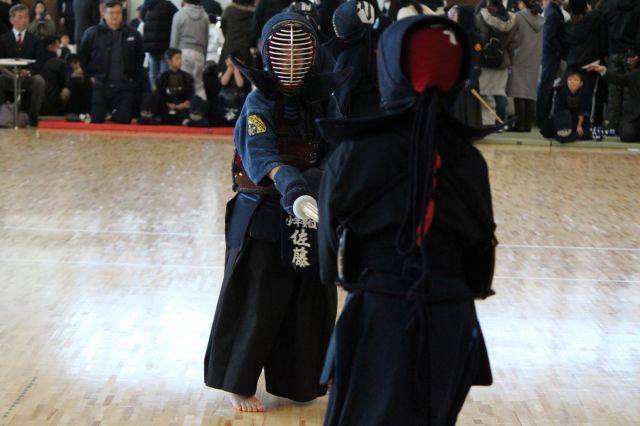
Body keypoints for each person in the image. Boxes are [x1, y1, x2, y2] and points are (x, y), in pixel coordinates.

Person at [316, 15, 495, 426]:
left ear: (390, 69)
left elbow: (328, 256)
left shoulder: (354, 153)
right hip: (452, 317)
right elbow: (481, 256)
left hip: (379, 313)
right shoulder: (469, 160)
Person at [203, 11, 345, 413]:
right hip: (263, 209)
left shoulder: (324, 98)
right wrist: (290, 184)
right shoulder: (258, 101)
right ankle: (237, 381)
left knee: (310, 297)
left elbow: (338, 147)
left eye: (301, 53)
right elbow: (261, 154)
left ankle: (305, 379)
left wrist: (319, 183)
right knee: (257, 295)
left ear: (313, 55)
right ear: (268, 54)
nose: (292, 61)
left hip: (309, 210)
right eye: (283, 53)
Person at [78, 0, 144, 123]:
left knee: (124, 120)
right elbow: (82, 54)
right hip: (100, 85)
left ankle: (114, 114)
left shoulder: (133, 34)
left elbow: (140, 57)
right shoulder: (92, 32)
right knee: (97, 119)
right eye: (111, 13)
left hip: (124, 85)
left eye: (118, 13)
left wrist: (133, 78)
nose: (115, 16)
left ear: (122, 14)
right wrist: (89, 75)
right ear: (104, 14)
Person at [330, 0, 380, 117]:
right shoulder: (376, 41)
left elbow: (341, 92)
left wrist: (335, 118)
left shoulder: (349, 54)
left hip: (356, 116)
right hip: (377, 111)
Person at [0, 4, 46, 126]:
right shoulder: (3, 39)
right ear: (11, 20)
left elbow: (40, 61)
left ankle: (33, 117)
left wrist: (29, 72)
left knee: (39, 81)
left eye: (26, 17)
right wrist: (11, 72)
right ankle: (2, 116)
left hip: (27, 77)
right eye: (20, 17)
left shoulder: (35, 40)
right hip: (8, 76)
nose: (24, 20)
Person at [476, 0, 517, 126]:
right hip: (503, 61)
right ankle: (500, 123)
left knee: (482, 93)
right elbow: (512, 45)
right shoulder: (510, 20)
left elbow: (479, 39)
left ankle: (483, 121)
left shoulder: (480, 17)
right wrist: (511, 61)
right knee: (499, 93)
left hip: (485, 60)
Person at [506, 0, 544, 132]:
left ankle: (519, 125)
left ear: (523, 3)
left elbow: (510, 37)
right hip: (535, 57)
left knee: (518, 91)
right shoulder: (541, 19)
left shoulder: (518, 16)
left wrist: (510, 49)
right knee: (530, 92)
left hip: (519, 55)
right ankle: (528, 125)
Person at [586, 57, 640, 142]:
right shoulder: (635, 74)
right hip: (636, 117)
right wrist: (603, 70)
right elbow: (617, 78)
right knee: (626, 134)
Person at [536, 0, 569, 126]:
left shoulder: (552, 12)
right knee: (546, 87)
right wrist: (559, 52)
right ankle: (541, 118)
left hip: (551, 55)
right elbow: (549, 38)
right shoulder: (553, 14)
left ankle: (542, 117)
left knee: (547, 87)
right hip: (551, 56)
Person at [170, 0, 209, 99]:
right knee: (199, 86)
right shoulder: (205, 16)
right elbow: (206, 39)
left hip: (183, 54)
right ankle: (201, 107)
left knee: (184, 85)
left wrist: (172, 57)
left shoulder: (179, 15)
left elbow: (174, 38)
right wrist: (204, 57)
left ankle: (185, 108)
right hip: (199, 53)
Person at [542, 71, 592, 142]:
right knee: (546, 130)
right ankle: (563, 133)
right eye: (570, 79)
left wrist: (579, 126)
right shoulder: (561, 92)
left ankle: (566, 134)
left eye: (575, 80)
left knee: (581, 133)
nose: (572, 82)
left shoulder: (584, 94)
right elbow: (558, 110)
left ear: (581, 83)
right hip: (564, 119)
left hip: (577, 119)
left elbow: (583, 111)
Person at [141, 0, 178, 91]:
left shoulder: (147, 5)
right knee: (164, 75)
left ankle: (155, 94)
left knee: (153, 74)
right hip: (164, 46)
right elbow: (177, 18)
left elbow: (142, 17)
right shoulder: (168, 6)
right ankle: (163, 95)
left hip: (152, 47)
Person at [156, 48, 194, 124]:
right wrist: (167, 104)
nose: (180, 61)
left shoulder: (187, 77)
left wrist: (185, 103)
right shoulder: (162, 77)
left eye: (180, 58)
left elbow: (191, 93)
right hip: (167, 106)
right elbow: (158, 94)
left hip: (182, 106)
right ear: (169, 61)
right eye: (177, 59)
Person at [218, 0, 255, 72]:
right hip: (245, 51)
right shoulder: (253, 13)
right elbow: (254, 31)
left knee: (226, 73)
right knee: (243, 75)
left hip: (229, 48)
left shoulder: (229, 10)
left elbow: (223, 27)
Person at [40, 36, 67, 115]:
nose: (59, 49)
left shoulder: (37, 60)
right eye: (58, 46)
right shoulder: (59, 63)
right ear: (50, 47)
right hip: (55, 103)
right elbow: (63, 83)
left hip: (40, 102)